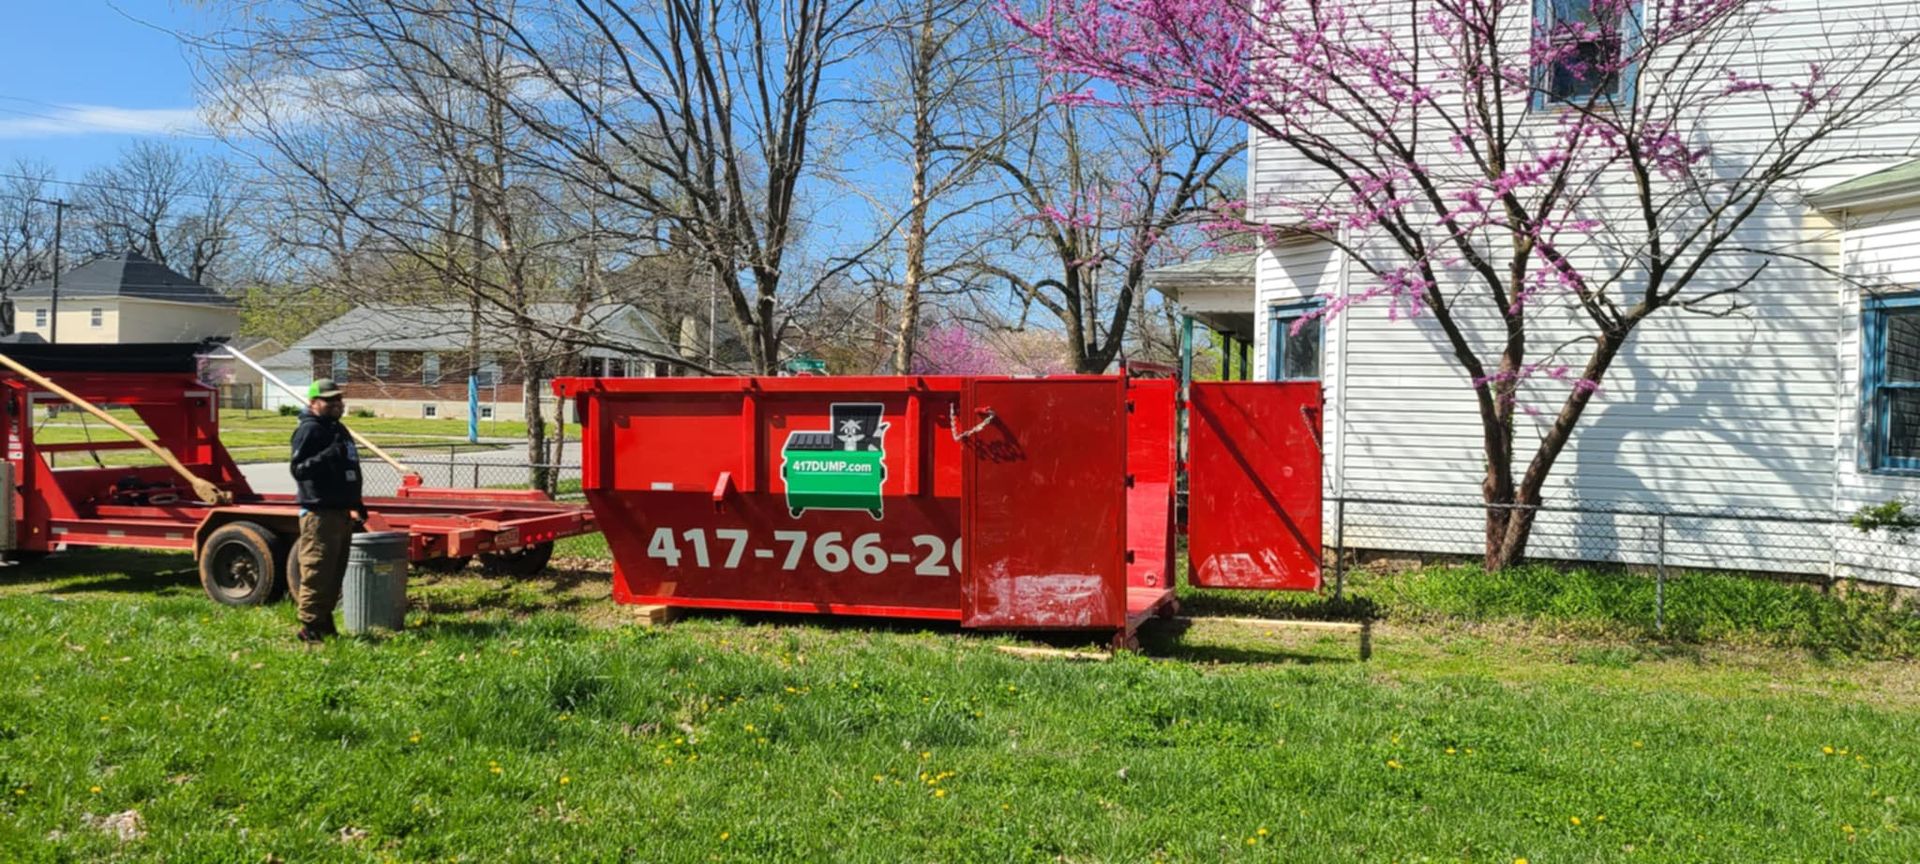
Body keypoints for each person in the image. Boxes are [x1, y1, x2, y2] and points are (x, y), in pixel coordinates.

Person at [289, 378, 367, 642]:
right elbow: (299, 469)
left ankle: (324, 620)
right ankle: (309, 626)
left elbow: (349, 469)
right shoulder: (309, 430)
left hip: (342, 512)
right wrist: (328, 455)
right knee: (317, 570)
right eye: (330, 400)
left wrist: (356, 503)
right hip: (320, 513)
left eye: (339, 400)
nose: (337, 404)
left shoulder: (339, 430)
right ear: (313, 403)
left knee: (335, 573)